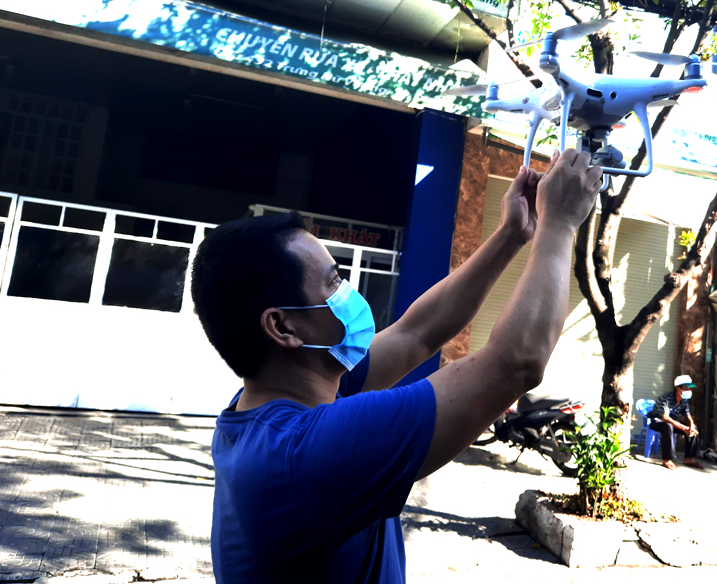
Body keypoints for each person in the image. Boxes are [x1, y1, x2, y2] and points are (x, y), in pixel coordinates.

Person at [190, 149, 602, 584]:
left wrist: (512, 233)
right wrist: (560, 225)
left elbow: (416, 334)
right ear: (282, 326)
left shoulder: (279, 402)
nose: (347, 290)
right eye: (333, 281)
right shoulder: (303, 454)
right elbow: (514, 364)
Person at [648, 375, 702, 470]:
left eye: (689, 389)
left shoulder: (684, 401)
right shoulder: (665, 398)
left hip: (673, 423)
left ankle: (688, 458)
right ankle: (666, 459)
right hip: (657, 422)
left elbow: (688, 416)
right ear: (678, 389)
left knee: (694, 429)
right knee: (668, 427)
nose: (688, 391)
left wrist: (691, 426)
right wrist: (683, 428)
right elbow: (665, 418)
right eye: (686, 388)